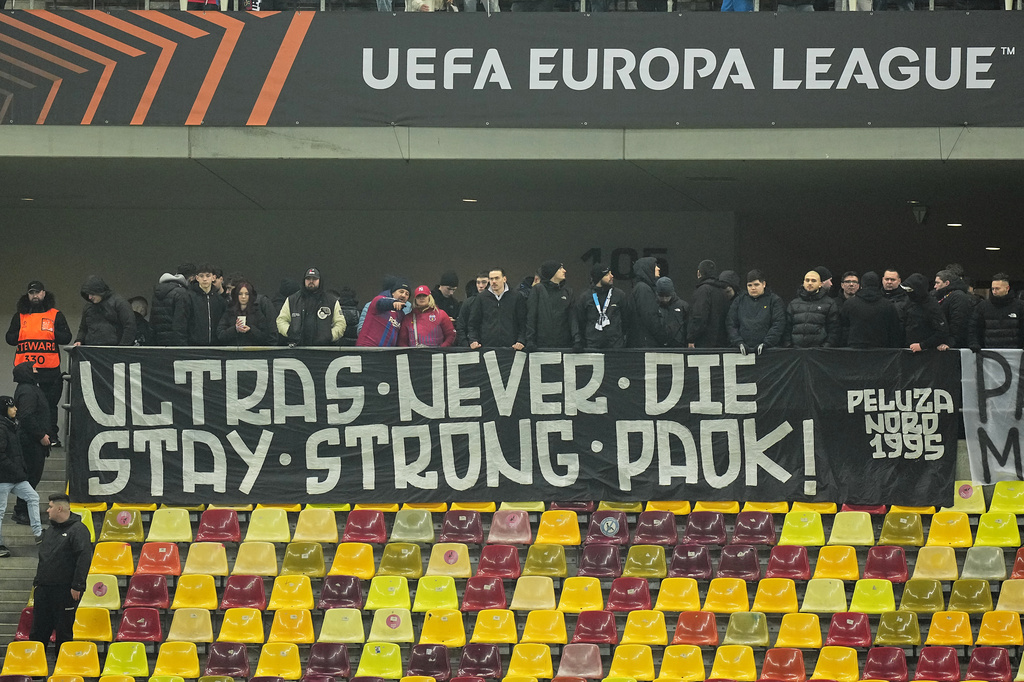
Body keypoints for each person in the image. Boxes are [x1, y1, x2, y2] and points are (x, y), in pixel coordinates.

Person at [6, 280, 72, 447]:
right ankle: (28, 437)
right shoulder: (20, 316)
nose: (34, 295)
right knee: (27, 407)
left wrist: (50, 331)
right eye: (31, 293)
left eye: (37, 292)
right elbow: (10, 339)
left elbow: (66, 338)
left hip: (49, 370)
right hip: (26, 372)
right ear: (27, 295)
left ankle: (52, 437)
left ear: (44, 293)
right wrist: (23, 331)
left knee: (50, 405)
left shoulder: (55, 315)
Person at [30, 493, 92, 654]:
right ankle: (35, 672)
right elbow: (44, 559)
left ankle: (62, 670)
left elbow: (83, 558)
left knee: (63, 631)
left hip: (65, 590)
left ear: (59, 508)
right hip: (44, 589)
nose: (47, 510)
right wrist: (37, 583)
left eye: (50, 507)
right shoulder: (50, 531)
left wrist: (77, 585)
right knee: (38, 631)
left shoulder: (78, 530)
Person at [0, 396, 44, 556]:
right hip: (4, 478)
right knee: (0, 511)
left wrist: (20, 470)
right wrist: (16, 470)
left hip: (15, 476)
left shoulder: (11, 426)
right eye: (11, 407)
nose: (15, 409)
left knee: (33, 497)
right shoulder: (2, 428)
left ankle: (38, 534)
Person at [11, 360, 51, 527]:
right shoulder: (28, 390)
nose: (37, 370)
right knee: (30, 477)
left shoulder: (28, 389)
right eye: (33, 368)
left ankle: (23, 510)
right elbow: (27, 416)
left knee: (31, 477)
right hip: (31, 442)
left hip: (30, 440)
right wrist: (41, 435)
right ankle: (21, 511)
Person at [277, 268, 346, 346]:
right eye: (308, 278)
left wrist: (329, 336)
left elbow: (340, 323)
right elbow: (281, 320)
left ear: (320, 281)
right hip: (297, 349)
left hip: (324, 350)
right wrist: (290, 332)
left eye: (314, 279)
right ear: (304, 280)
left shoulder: (332, 301)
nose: (311, 281)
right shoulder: (292, 300)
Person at [727, 269, 786, 354]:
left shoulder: (774, 300)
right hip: (742, 351)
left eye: (756, 284)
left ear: (764, 284)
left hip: (768, 351)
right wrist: (738, 342)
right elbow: (731, 323)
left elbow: (778, 324)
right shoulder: (739, 300)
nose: (753, 288)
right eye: (749, 285)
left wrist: (767, 343)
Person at [838, 271, 903, 348]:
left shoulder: (849, 304)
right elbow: (894, 331)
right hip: (882, 350)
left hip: (855, 348)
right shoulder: (888, 305)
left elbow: (843, 329)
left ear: (861, 285)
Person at [468, 268, 526, 350]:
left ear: (504, 279)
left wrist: (521, 340)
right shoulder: (481, 298)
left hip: (512, 347)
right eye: (491, 279)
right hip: (487, 347)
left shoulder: (516, 297)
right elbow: (473, 323)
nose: (494, 281)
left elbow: (523, 322)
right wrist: (473, 340)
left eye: (497, 278)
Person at [526, 260, 577, 350]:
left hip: (564, 344)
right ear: (552, 272)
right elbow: (531, 316)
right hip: (542, 345)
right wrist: (530, 340)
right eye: (560, 268)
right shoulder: (538, 290)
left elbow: (572, 318)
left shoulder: (568, 292)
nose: (564, 271)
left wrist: (577, 340)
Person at [577, 264, 630, 350]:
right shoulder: (585, 297)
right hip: (593, 345)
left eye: (611, 273)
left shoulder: (619, 295)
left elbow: (626, 319)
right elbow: (581, 321)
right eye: (607, 274)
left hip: (615, 346)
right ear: (599, 278)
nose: (612, 276)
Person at [74, 276, 135, 346]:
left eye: (92, 293)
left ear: (99, 290)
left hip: (113, 350)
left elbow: (130, 326)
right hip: (91, 350)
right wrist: (79, 340)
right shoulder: (88, 306)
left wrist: (122, 347)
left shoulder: (119, 303)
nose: (89, 297)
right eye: (88, 294)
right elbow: (83, 328)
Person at [969, 273, 1024, 350]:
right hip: (989, 352)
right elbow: (974, 327)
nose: (994, 291)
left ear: (1007, 288)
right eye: (992, 289)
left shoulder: (1020, 306)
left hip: (1015, 353)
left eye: (997, 289)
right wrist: (974, 343)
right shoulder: (982, 306)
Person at [786, 269, 839, 347]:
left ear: (820, 284)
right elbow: (786, 328)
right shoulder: (793, 304)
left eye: (813, 281)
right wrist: (788, 345)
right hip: (796, 351)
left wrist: (826, 346)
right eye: (807, 280)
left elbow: (834, 329)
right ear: (803, 283)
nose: (810, 283)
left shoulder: (830, 304)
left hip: (819, 352)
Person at [688, 259, 731, 348]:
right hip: (722, 344)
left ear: (699, 273)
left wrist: (691, 338)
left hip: (704, 344)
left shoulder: (703, 290)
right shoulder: (723, 292)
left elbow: (699, 316)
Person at [902, 273, 950, 352]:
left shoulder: (932, 306)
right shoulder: (909, 302)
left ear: (918, 290)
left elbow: (942, 332)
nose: (908, 293)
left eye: (910, 290)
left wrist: (922, 345)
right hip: (908, 349)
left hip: (927, 353)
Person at [217, 281, 273, 346]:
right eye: (240, 294)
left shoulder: (257, 312)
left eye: (247, 294)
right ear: (236, 295)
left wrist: (250, 330)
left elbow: (264, 336)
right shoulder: (229, 312)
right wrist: (234, 329)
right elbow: (220, 334)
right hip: (232, 353)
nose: (243, 297)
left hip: (252, 353)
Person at [357, 280, 411, 347]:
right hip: (368, 349)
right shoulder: (377, 301)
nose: (403, 295)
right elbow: (381, 303)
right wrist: (393, 303)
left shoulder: (402, 314)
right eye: (401, 291)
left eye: (407, 294)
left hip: (388, 353)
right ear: (393, 293)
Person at [629, 256, 667, 348]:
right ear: (647, 269)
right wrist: (662, 338)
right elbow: (650, 317)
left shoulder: (641, 288)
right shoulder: (643, 289)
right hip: (646, 343)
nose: (658, 268)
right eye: (655, 266)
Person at [933, 268, 974, 348]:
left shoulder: (959, 297)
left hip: (955, 345)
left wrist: (950, 342)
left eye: (938, 283)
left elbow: (959, 322)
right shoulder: (939, 296)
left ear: (947, 283)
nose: (935, 286)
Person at [188, 263, 226, 346]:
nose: (205, 279)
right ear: (197, 278)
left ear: (213, 277)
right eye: (201, 276)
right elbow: (181, 323)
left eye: (208, 276)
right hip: (193, 346)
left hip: (215, 346)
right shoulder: (188, 297)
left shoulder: (220, 300)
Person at [151, 271, 191, 346]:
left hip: (159, 339)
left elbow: (152, 319)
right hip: (175, 341)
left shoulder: (156, 293)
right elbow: (180, 322)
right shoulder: (181, 293)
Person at [455, 273, 490, 347]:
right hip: (472, 345)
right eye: (478, 282)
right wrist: (466, 345)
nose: (480, 286)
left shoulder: (499, 302)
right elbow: (461, 326)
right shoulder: (468, 302)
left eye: (484, 282)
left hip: (493, 344)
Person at [655, 277, 689, 348]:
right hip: (659, 346)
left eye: (667, 296)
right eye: (661, 296)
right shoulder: (653, 306)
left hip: (678, 346)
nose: (664, 299)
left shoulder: (683, 306)